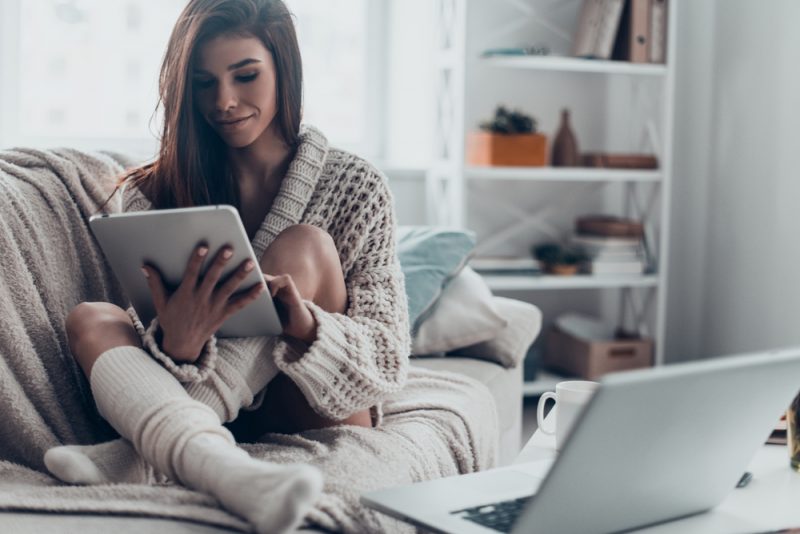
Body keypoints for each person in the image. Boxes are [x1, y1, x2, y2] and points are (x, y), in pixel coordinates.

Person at [43, 1, 411, 533]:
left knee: (302, 246)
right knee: (93, 319)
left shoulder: (355, 185)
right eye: (203, 83)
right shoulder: (152, 192)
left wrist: (302, 324)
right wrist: (179, 343)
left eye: (246, 75)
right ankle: (216, 462)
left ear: (285, 69)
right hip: (225, 414)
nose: (226, 101)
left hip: (312, 400)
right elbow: (148, 342)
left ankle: (136, 457)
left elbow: (387, 357)